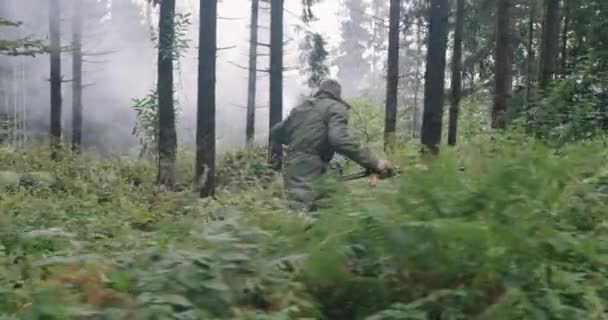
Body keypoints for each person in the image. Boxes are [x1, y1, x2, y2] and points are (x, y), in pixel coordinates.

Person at [270, 79, 392, 213]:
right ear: (336, 95)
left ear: (320, 92)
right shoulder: (335, 107)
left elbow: (276, 133)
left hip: (294, 166)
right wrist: (374, 163)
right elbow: (338, 139)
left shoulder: (300, 109)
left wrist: (278, 163)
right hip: (311, 168)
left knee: (320, 210)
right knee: (305, 216)